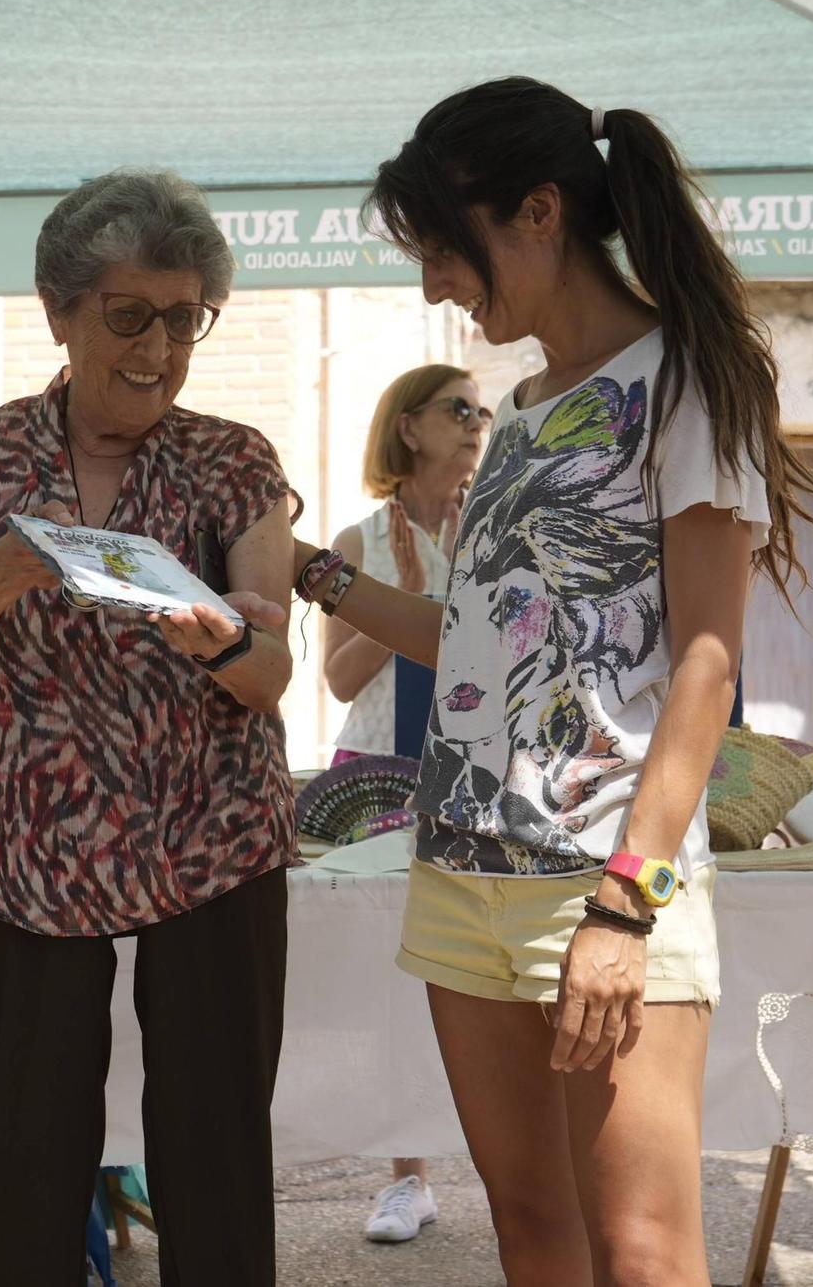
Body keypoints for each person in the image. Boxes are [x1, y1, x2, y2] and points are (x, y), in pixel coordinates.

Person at [280, 77, 813, 1286]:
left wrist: (627, 902)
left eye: (441, 248)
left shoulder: (687, 377)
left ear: (536, 212)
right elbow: (475, 647)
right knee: (530, 1232)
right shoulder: (520, 411)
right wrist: (311, 571)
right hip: (460, 871)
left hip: (604, 882)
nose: (434, 287)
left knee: (640, 1250)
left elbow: (705, 657)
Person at [0, 169, 296, 1286]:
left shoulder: (232, 458)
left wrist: (211, 634)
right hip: (20, 845)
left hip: (208, 840)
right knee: (25, 1163)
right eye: (128, 315)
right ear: (59, 311)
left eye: (183, 316)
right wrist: (10, 565)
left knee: (215, 1165)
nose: (158, 345)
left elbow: (270, 674)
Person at [323, 362, 487, 1242]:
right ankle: (407, 1179)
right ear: (409, 426)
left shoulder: (498, 532)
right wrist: (416, 598)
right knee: (392, 981)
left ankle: (509, 1169)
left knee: (478, 966)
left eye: (482, 412)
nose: (474, 424)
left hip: (477, 771)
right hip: (380, 766)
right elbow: (339, 672)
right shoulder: (356, 542)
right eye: (457, 408)